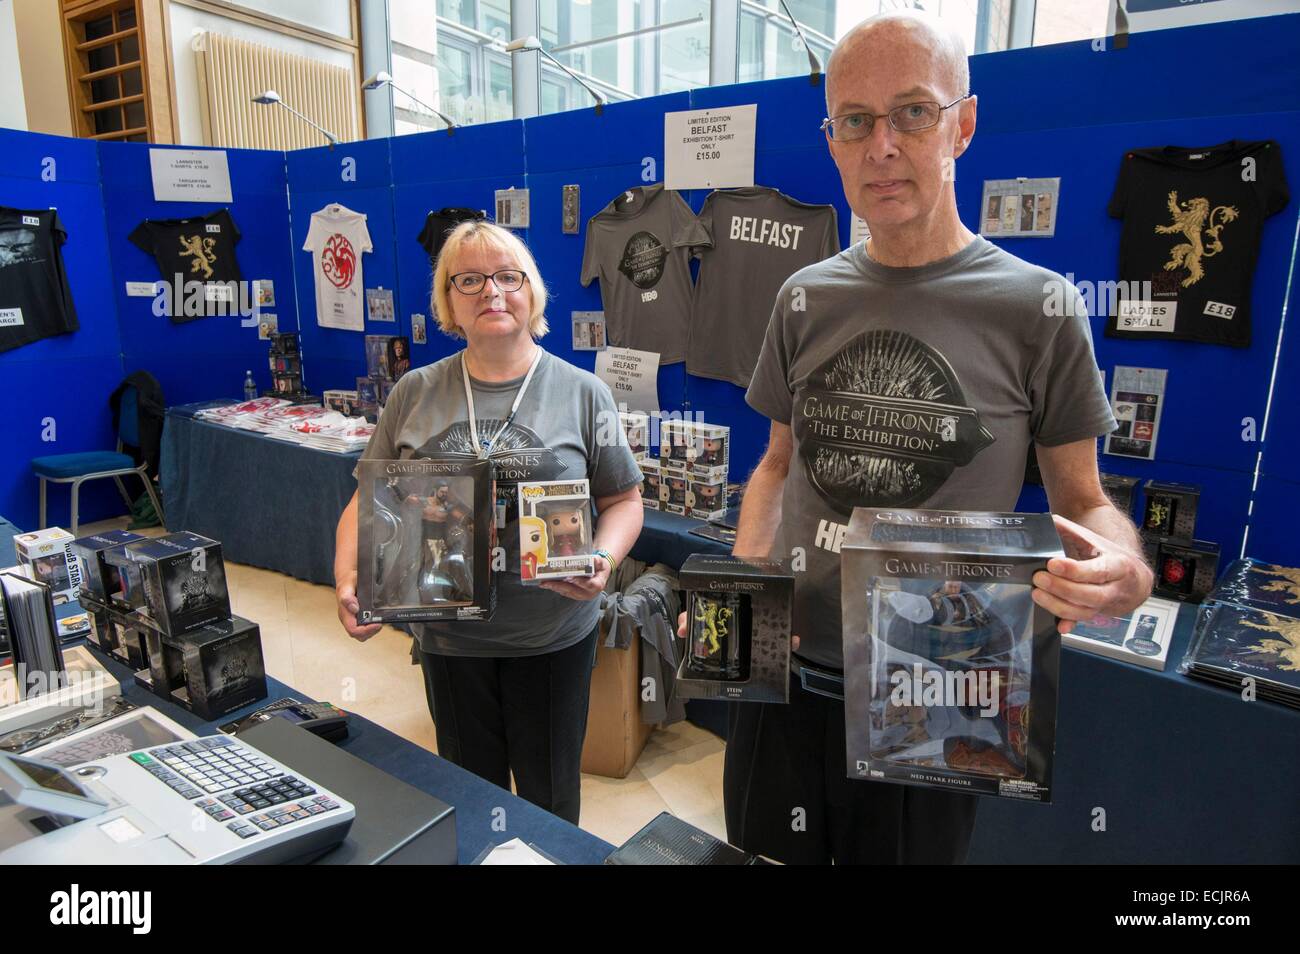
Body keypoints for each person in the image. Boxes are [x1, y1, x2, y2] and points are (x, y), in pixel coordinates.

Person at [711, 11, 1153, 865]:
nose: (881, 146)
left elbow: (1086, 501)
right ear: (832, 140)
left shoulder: (1041, 306)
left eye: (913, 111)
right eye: (855, 121)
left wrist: (1123, 568)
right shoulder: (802, 297)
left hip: (934, 692)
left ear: (964, 122)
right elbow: (774, 468)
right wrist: (749, 583)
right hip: (788, 677)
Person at [334, 220, 644, 824]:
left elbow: (624, 500)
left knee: (549, 801)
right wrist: (349, 579)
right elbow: (364, 500)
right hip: (450, 639)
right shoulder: (413, 392)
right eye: (469, 280)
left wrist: (601, 561)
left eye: (508, 276)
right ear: (447, 300)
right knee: (469, 796)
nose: (491, 293)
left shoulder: (583, 392)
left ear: (533, 292)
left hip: (552, 635)